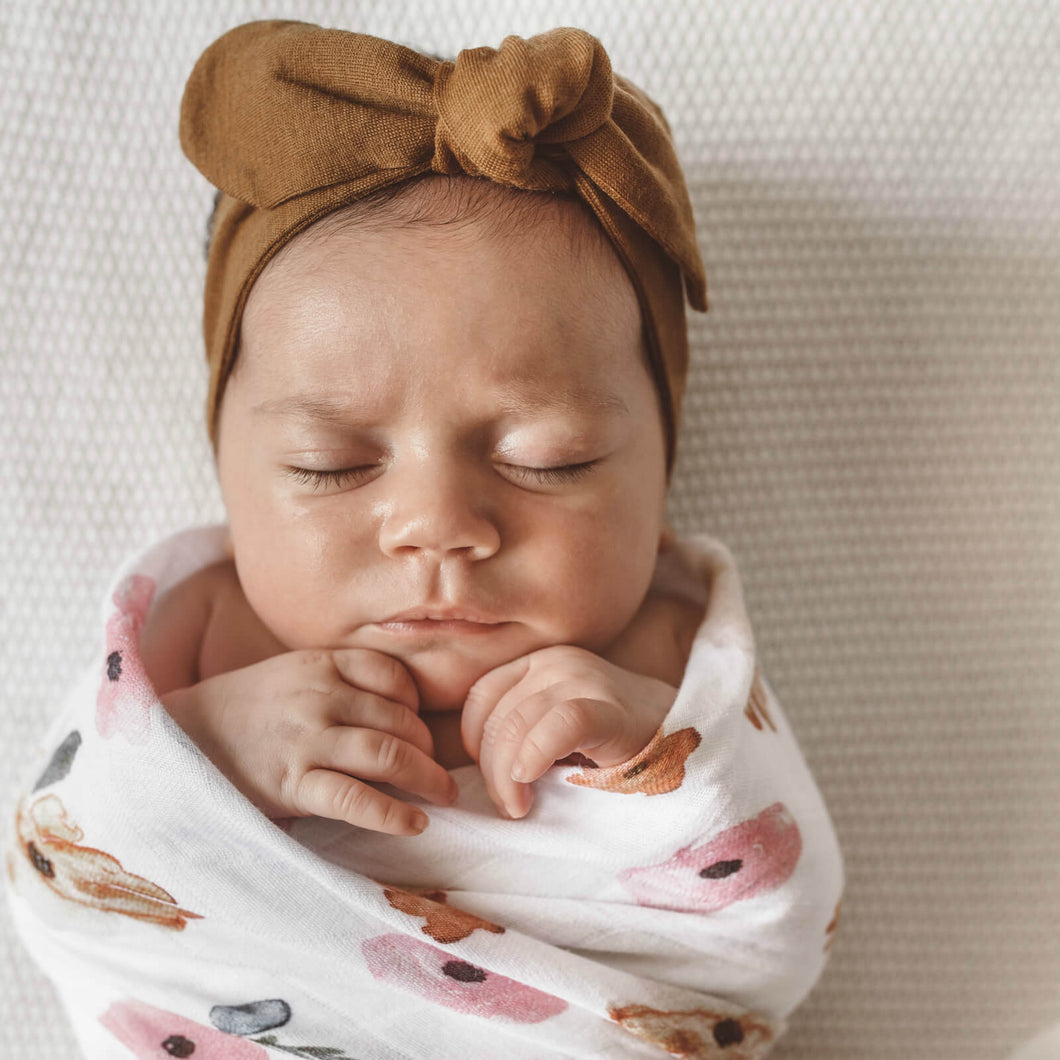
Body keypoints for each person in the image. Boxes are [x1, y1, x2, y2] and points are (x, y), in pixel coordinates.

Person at [7, 22, 842, 1058]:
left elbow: (780, 932)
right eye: (331, 464)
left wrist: (662, 765)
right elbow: (56, 860)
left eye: (552, 457)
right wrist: (201, 749)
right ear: (226, 467)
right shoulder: (196, 631)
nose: (439, 524)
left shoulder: (667, 662)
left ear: (657, 471)